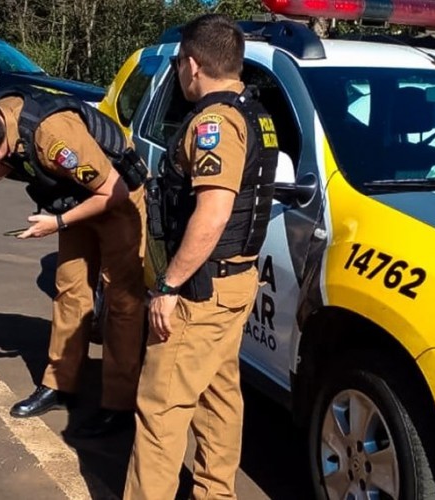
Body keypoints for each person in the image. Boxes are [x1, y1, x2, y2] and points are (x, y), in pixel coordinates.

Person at [124, 13, 279, 499]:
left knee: (161, 408)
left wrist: (169, 285)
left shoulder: (214, 123)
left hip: (200, 289)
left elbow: (212, 214)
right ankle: (215, 492)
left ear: (192, 64)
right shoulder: (255, 113)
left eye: (178, 66)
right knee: (218, 394)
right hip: (232, 284)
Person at [0, 85, 147, 437]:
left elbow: (113, 192)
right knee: (70, 292)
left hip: (118, 200)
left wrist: (57, 223)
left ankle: (120, 403)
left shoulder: (54, 138)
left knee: (121, 303)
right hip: (75, 199)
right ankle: (60, 385)